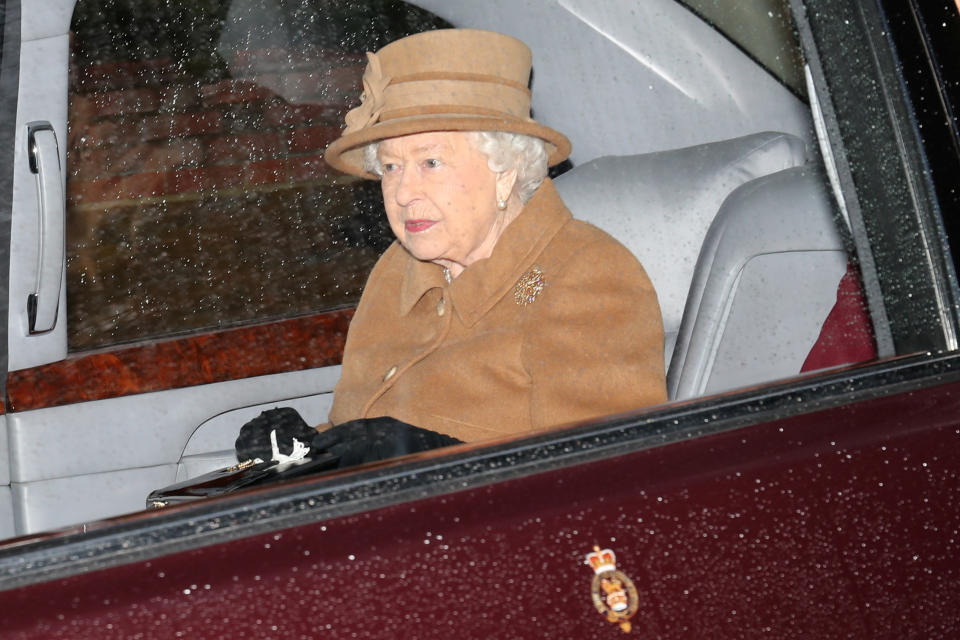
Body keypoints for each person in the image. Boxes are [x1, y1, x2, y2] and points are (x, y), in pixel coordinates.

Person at [236, 28, 666, 467]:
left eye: (431, 162)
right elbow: (369, 433)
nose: (403, 193)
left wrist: (429, 454)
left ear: (506, 170)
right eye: (390, 167)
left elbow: (603, 472)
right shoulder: (395, 271)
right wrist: (304, 449)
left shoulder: (584, 275)